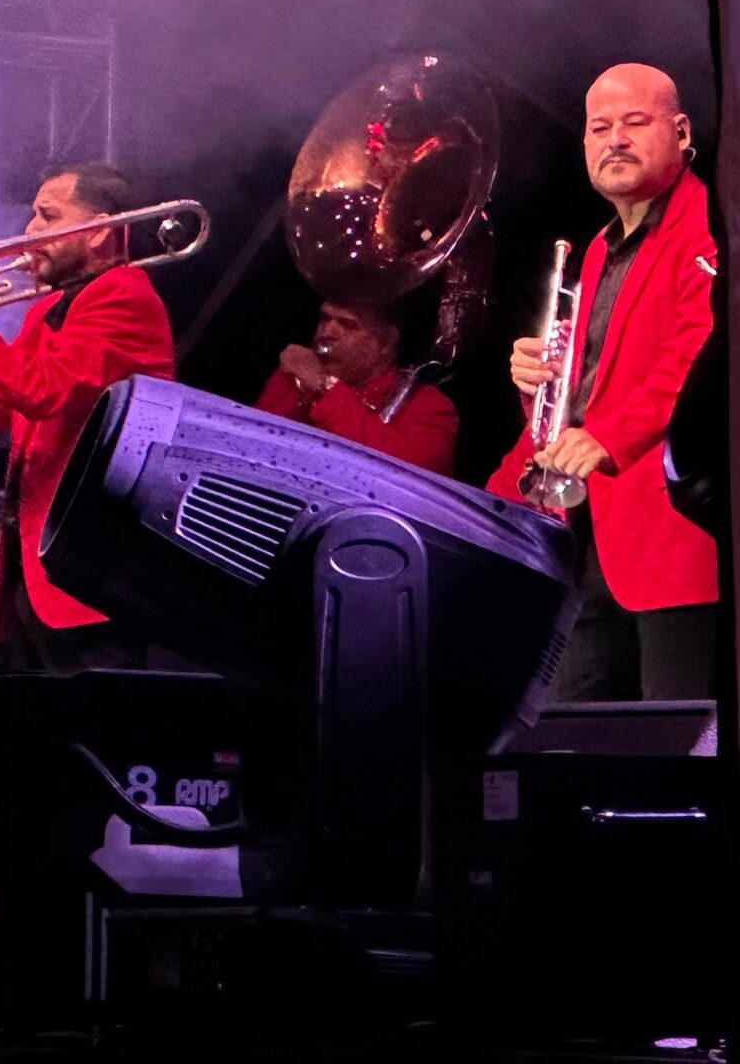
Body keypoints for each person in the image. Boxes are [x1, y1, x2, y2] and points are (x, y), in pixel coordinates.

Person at [495, 63, 720, 702]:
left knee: (680, 739)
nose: (614, 139)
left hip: (673, 537)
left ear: (681, 133)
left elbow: (699, 352)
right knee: (572, 737)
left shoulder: (711, 222)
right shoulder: (599, 247)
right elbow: (598, 382)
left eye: (635, 122)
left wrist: (607, 436)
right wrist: (538, 383)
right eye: (599, 127)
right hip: (592, 534)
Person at [0, 161, 175, 672]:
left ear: (99, 231)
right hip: (35, 578)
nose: (29, 231)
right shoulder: (45, 312)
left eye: (48, 216)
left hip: (90, 581)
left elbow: (43, 388)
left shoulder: (124, 295)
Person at [255, 299, 459, 475]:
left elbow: (404, 476)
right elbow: (258, 444)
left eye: (348, 324)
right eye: (325, 318)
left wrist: (324, 385)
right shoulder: (295, 375)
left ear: (387, 342)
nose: (326, 332)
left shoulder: (430, 406)